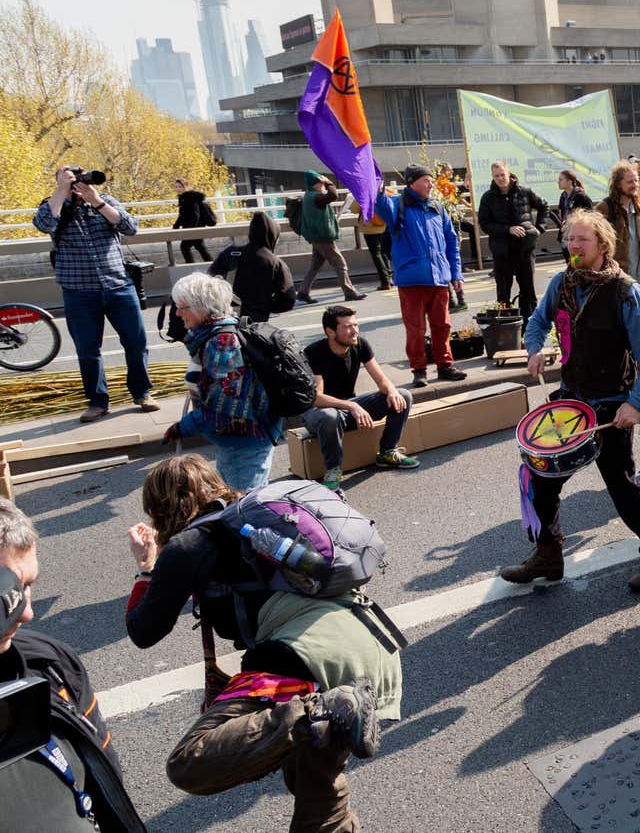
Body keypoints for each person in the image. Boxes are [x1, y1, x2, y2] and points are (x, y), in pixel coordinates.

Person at [125, 455, 400, 833]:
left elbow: (144, 631)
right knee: (317, 792)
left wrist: (145, 568)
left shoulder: (187, 547)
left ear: (159, 509)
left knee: (190, 762)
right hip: (362, 642)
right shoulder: (253, 516)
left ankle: (322, 711)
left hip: (304, 656)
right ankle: (331, 712)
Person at [505, 209, 640, 592]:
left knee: (621, 486)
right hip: (570, 402)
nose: (574, 245)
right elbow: (537, 323)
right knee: (541, 476)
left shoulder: (624, 291)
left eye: (582, 239)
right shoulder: (561, 283)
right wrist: (535, 349)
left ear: (602, 245)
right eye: (571, 238)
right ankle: (549, 555)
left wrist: (635, 404)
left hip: (613, 404)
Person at [0, 499, 147, 832]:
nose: (26, 613)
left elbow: (105, 770)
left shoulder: (50, 662)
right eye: (6, 594)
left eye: (27, 586)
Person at [33, 165, 161, 423]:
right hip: (78, 290)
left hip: (119, 285)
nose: (78, 184)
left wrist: (97, 201)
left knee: (136, 343)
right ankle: (97, 402)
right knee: (88, 350)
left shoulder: (104, 201)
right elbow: (44, 224)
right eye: (71, 180)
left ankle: (142, 393)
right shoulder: (52, 205)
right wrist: (61, 190)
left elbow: (130, 227)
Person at [163, 273, 282, 491]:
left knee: (242, 508)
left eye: (181, 307)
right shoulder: (219, 333)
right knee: (235, 501)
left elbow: (223, 407)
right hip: (239, 440)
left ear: (202, 306)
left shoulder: (222, 343)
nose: (177, 313)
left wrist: (184, 427)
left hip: (245, 443)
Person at [303, 305, 419, 491]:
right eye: (348, 327)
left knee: (403, 395)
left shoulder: (360, 344)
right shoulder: (314, 353)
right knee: (329, 416)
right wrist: (352, 406)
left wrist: (391, 390)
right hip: (319, 413)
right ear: (330, 332)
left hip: (348, 407)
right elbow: (317, 398)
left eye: (356, 325)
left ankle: (387, 451)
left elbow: (381, 380)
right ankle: (333, 470)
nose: (354, 330)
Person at [375, 164, 469, 388]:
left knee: (442, 325)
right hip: (411, 280)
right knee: (415, 328)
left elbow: (451, 242)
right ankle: (419, 370)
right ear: (411, 183)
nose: (430, 184)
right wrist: (376, 188)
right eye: (426, 180)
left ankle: (445, 365)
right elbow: (379, 204)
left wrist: (455, 272)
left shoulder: (437, 207)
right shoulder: (397, 205)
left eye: (430, 180)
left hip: (439, 278)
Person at [478, 161, 548, 321]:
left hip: (524, 250)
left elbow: (544, 206)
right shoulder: (488, 197)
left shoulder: (524, 191)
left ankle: (529, 329)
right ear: (492, 177)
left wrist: (540, 228)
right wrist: (507, 229)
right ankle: (508, 329)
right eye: (496, 176)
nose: (500, 178)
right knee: (503, 294)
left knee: (528, 292)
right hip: (502, 252)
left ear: (509, 173)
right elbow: (484, 224)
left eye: (502, 174)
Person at [208, 211, 296, 323]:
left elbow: (209, 281)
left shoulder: (230, 253)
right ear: (273, 236)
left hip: (225, 319)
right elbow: (288, 300)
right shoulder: (274, 262)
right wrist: (265, 306)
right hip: (255, 322)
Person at [295, 171, 364, 304]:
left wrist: (325, 183)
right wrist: (329, 182)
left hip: (317, 236)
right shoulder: (316, 197)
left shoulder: (309, 196)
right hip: (323, 237)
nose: (322, 184)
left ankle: (303, 292)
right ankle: (349, 292)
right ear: (315, 184)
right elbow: (333, 195)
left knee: (315, 266)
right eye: (320, 182)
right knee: (340, 264)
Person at [597, 160, 640, 281]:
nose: (635, 185)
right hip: (617, 277)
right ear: (617, 184)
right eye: (630, 182)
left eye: (636, 180)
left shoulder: (639, 205)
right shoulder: (605, 208)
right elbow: (597, 245)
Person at [343, 194, 393, 290]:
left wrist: (353, 197)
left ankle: (385, 281)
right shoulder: (383, 192)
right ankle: (389, 278)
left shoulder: (364, 194)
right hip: (383, 225)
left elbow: (354, 209)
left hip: (370, 228)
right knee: (383, 253)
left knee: (376, 254)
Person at [174, 178, 216, 263]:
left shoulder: (189, 198)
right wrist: (176, 225)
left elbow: (195, 215)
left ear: (186, 187)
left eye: (180, 187)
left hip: (194, 228)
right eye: (176, 187)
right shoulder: (184, 197)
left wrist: (191, 230)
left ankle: (190, 265)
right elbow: (182, 214)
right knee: (200, 246)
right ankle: (211, 265)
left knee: (184, 247)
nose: (177, 189)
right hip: (195, 227)